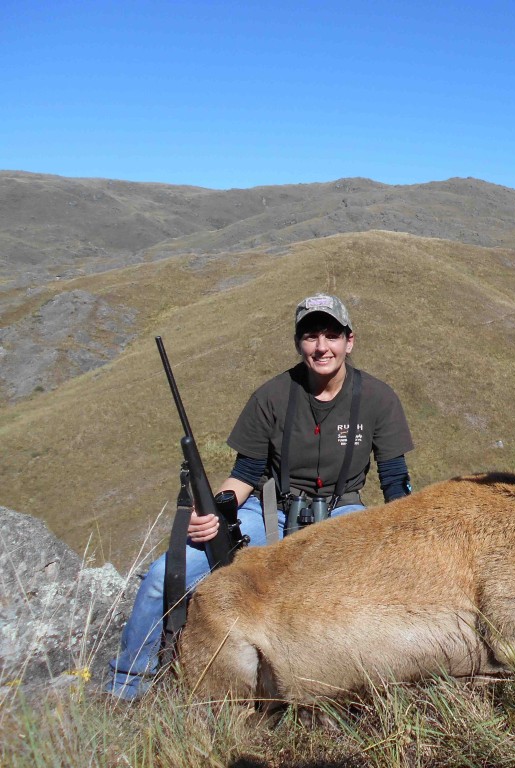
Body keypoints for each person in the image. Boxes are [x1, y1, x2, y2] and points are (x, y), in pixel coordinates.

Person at [106, 293, 414, 700]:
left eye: (331, 335)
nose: (321, 347)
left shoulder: (378, 398)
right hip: (267, 511)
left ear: (348, 341)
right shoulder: (271, 396)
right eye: (310, 337)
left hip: (343, 513)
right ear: (298, 343)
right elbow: (245, 475)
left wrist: (407, 539)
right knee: (163, 577)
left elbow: (395, 483)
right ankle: (127, 688)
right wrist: (214, 511)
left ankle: (345, 694)